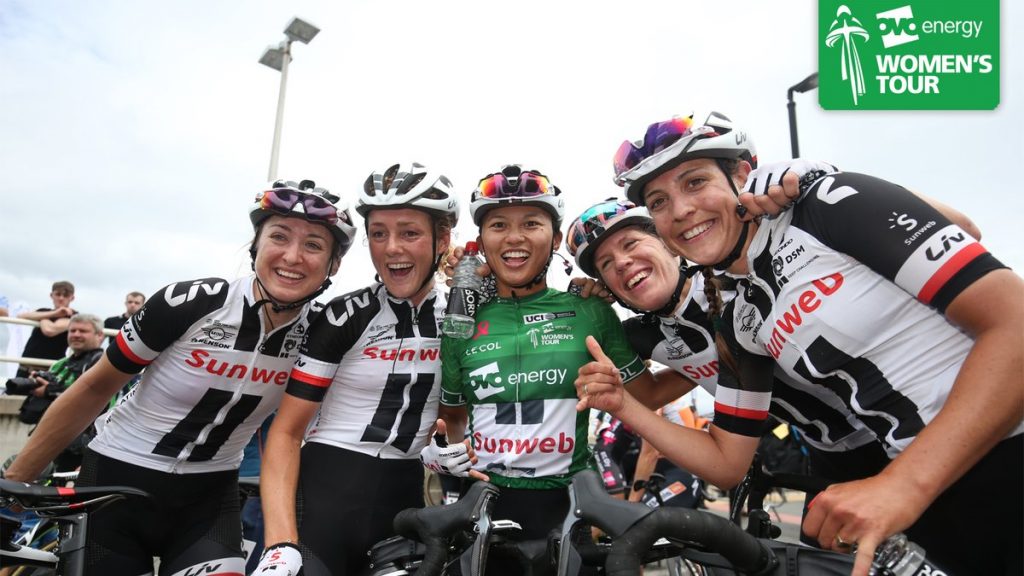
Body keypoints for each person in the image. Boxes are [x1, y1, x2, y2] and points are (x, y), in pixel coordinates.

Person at [580, 110, 1023, 575]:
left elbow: (1012, 316)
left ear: (742, 176)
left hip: (990, 448)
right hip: (926, 482)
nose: (681, 210)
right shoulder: (740, 316)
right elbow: (727, 462)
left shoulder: (821, 206)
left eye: (695, 182)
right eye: (659, 201)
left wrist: (903, 484)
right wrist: (621, 404)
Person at [3, 178, 354, 576]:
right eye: (279, 236)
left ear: (333, 265)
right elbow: (93, 389)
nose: (292, 256)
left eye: (313, 245)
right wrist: (12, 491)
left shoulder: (323, 335)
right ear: (256, 245)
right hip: (115, 485)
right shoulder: (190, 303)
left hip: (209, 500)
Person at [258, 163, 479, 576]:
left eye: (409, 233)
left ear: (443, 238)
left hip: (402, 505)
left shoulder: (461, 317)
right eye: (378, 233)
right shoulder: (344, 315)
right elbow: (285, 432)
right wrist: (280, 543)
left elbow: (452, 415)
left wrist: (440, 451)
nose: (391, 248)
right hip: (322, 500)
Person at [439, 165, 657, 576]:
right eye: (498, 225)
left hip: (568, 507)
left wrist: (713, 358)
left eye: (531, 223)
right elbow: (451, 416)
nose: (514, 237)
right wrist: (443, 456)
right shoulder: (461, 324)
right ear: (481, 242)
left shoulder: (590, 309)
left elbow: (648, 396)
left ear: (555, 239)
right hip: (483, 507)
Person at [8, 313, 106, 472]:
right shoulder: (61, 363)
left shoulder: (102, 362)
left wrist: (50, 390)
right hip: (53, 437)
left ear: (100, 335)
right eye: (72, 330)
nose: (76, 335)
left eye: (83, 331)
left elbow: (94, 398)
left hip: (83, 441)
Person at [15, 281, 76, 377]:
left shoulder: (74, 316)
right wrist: (54, 313)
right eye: (58, 294)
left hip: (50, 370)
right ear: (51, 295)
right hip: (25, 367)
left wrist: (41, 317)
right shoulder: (43, 311)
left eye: (65, 295)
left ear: (72, 298)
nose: (61, 298)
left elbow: (50, 330)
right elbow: (20, 316)